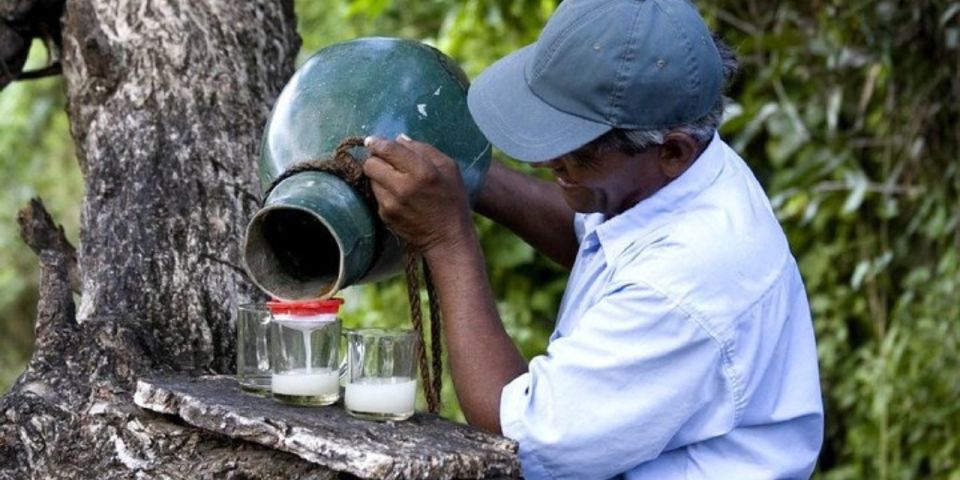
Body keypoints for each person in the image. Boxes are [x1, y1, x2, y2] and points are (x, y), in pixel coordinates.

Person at [361, 0, 824, 478]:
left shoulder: (688, 278)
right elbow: (585, 230)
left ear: (672, 150)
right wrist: (463, 174)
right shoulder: (678, 172)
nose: (545, 162)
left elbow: (520, 436)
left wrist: (446, 237)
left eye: (574, 155)